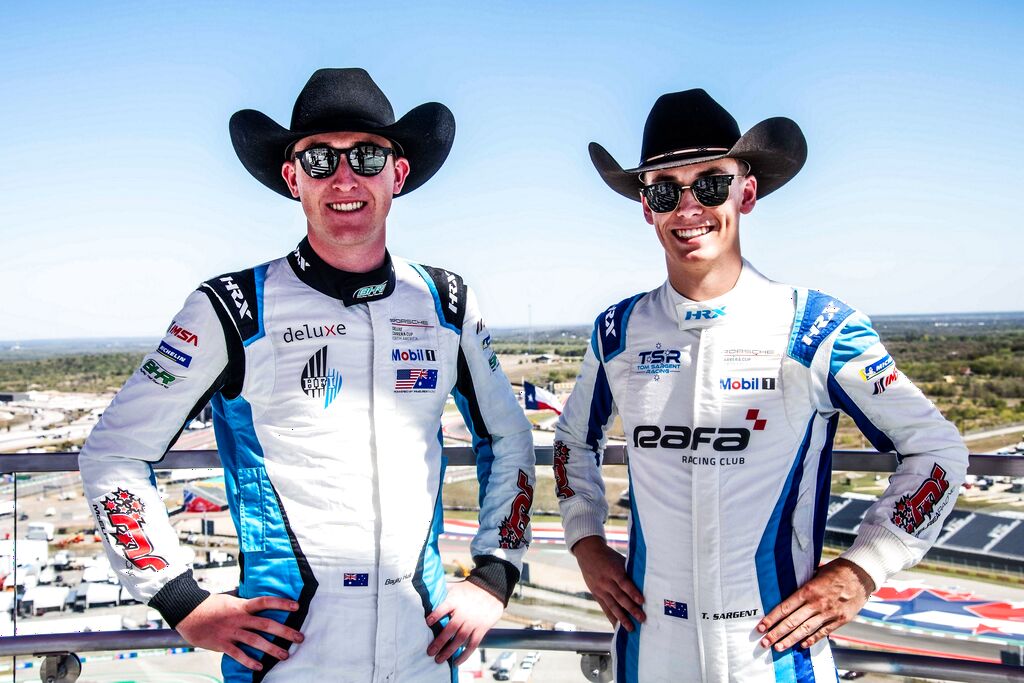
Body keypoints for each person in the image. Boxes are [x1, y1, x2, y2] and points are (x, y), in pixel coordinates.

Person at [78, 68, 535, 682]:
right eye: (320, 158)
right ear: (293, 177)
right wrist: (179, 599)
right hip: (285, 655)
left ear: (397, 174)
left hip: (421, 650)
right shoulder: (231, 306)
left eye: (367, 156)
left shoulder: (446, 301)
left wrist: (495, 573)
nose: (344, 178)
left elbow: (509, 438)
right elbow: (114, 452)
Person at [553, 89, 968, 682]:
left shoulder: (817, 326)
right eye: (665, 190)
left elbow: (938, 452)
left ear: (746, 191)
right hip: (648, 648)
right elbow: (570, 440)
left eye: (711, 184)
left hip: (773, 654)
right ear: (647, 207)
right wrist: (585, 543)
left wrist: (866, 567)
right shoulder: (617, 331)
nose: (689, 207)